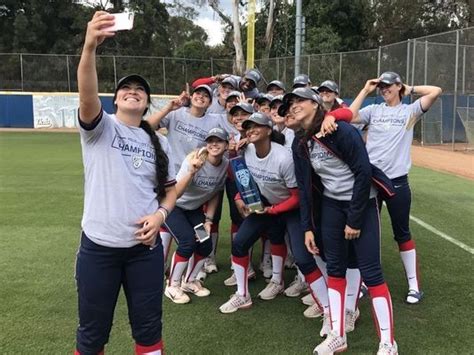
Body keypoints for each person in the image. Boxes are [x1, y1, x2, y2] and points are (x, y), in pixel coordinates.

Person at [75, 11, 177, 355]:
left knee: (149, 331)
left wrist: (161, 216)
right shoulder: (101, 128)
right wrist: (89, 48)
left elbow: (170, 189)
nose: (133, 92)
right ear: (116, 99)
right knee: (92, 335)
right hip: (99, 248)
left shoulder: (159, 143)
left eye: (140, 91)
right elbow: (87, 94)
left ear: (146, 102)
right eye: (126, 89)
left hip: (144, 252)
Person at [288, 87, 398, 354]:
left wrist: (355, 219)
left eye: (299, 100)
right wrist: (307, 228)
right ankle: (337, 335)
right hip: (331, 207)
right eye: (290, 102)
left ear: (316, 105)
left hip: (362, 204)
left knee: (371, 273)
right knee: (335, 269)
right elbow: (305, 188)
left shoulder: (343, 132)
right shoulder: (300, 142)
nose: (293, 105)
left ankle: (387, 343)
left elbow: (363, 174)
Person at [219, 112, 328, 316]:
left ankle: (328, 307)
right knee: (240, 243)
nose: (250, 129)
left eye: (256, 126)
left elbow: (297, 197)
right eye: (248, 126)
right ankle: (243, 295)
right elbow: (245, 182)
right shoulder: (246, 151)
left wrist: (274, 210)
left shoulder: (283, 157)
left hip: (293, 210)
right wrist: (238, 199)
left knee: (304, 258)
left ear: (269, 130)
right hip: (267, 205)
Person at [348, 71, 442, 304]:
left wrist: (409, 89)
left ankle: (414, 286)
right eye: (382, 86)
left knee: (402, 233)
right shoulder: (374, 110)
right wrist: (365, 91)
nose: (384, 89)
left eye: (388, 85)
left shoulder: (410, 111)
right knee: (366, 232)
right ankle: (363, 282)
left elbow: (436, 91)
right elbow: (349, 117)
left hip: (397, 181)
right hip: (371, 181)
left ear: (398, 86)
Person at [164, 128, 229, 304]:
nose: (214, 144)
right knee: (187, 241)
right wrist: (192, 172)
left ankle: (190, 281)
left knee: (206, 243)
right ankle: (172, 285)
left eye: (219, 141)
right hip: (173, 207)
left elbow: (216, 192)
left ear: (226, 145)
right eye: (211, 140)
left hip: (193, 210)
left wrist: (209, 220)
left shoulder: (226, 165)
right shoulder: (195, 159)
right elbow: (175, 193)